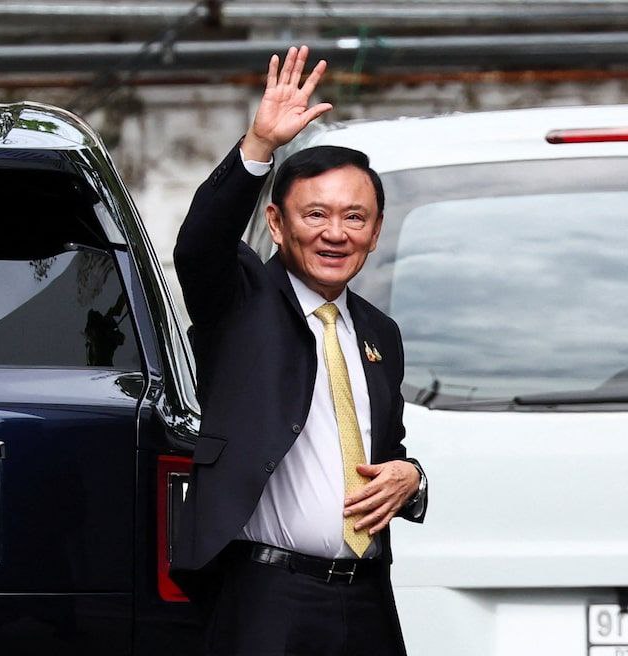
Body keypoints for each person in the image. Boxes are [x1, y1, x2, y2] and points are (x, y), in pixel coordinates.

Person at [169, 45, 428, 656]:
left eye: (355, 218)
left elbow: (386, 455)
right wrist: (259, 144)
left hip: (366, 597)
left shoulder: (380, 333)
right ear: (277, 224)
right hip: (266, 598)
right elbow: (200, 244)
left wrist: (412, 479)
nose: (335, 233)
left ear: (376, 232)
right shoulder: (239, 301)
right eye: (315, 214)